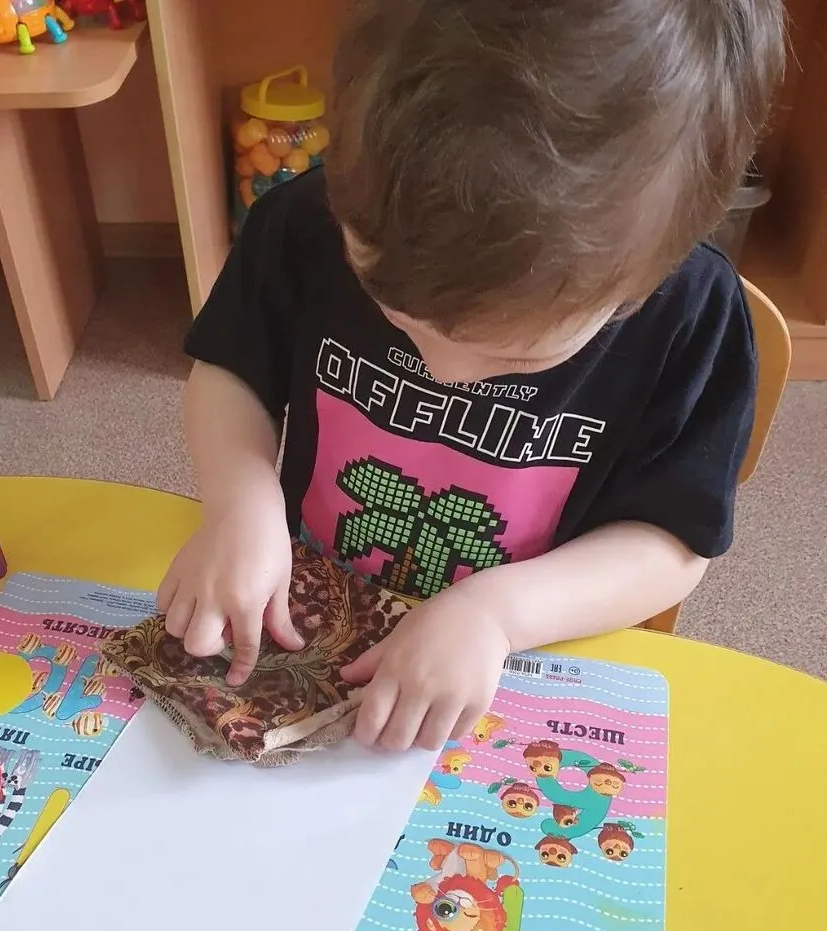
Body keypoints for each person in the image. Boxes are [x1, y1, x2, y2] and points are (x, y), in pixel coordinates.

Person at [156, 0, 785, 752]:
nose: (443, 374)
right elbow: (231, 371)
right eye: (394, 313)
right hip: (313, 607)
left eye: (518, 359)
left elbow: (672, 545)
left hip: (523, 650)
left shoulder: (688, 314)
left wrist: (498, 615)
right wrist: (240, 502)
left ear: (644, 283)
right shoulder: (304, 221)